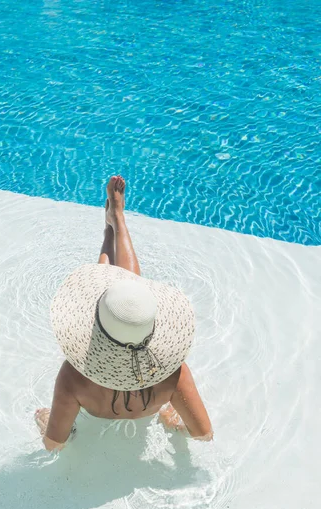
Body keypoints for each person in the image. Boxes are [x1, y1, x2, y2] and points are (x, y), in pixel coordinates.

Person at [35, 175, 213, 451]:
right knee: (129, 302)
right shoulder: (171, 372)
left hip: (93, 399)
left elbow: (53, 443)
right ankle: (116, 222)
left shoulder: (74, 376)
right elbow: (203, 434)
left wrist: (49, 421)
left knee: (119, 302)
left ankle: (113, 227)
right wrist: (173, 421)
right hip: (150, 400)